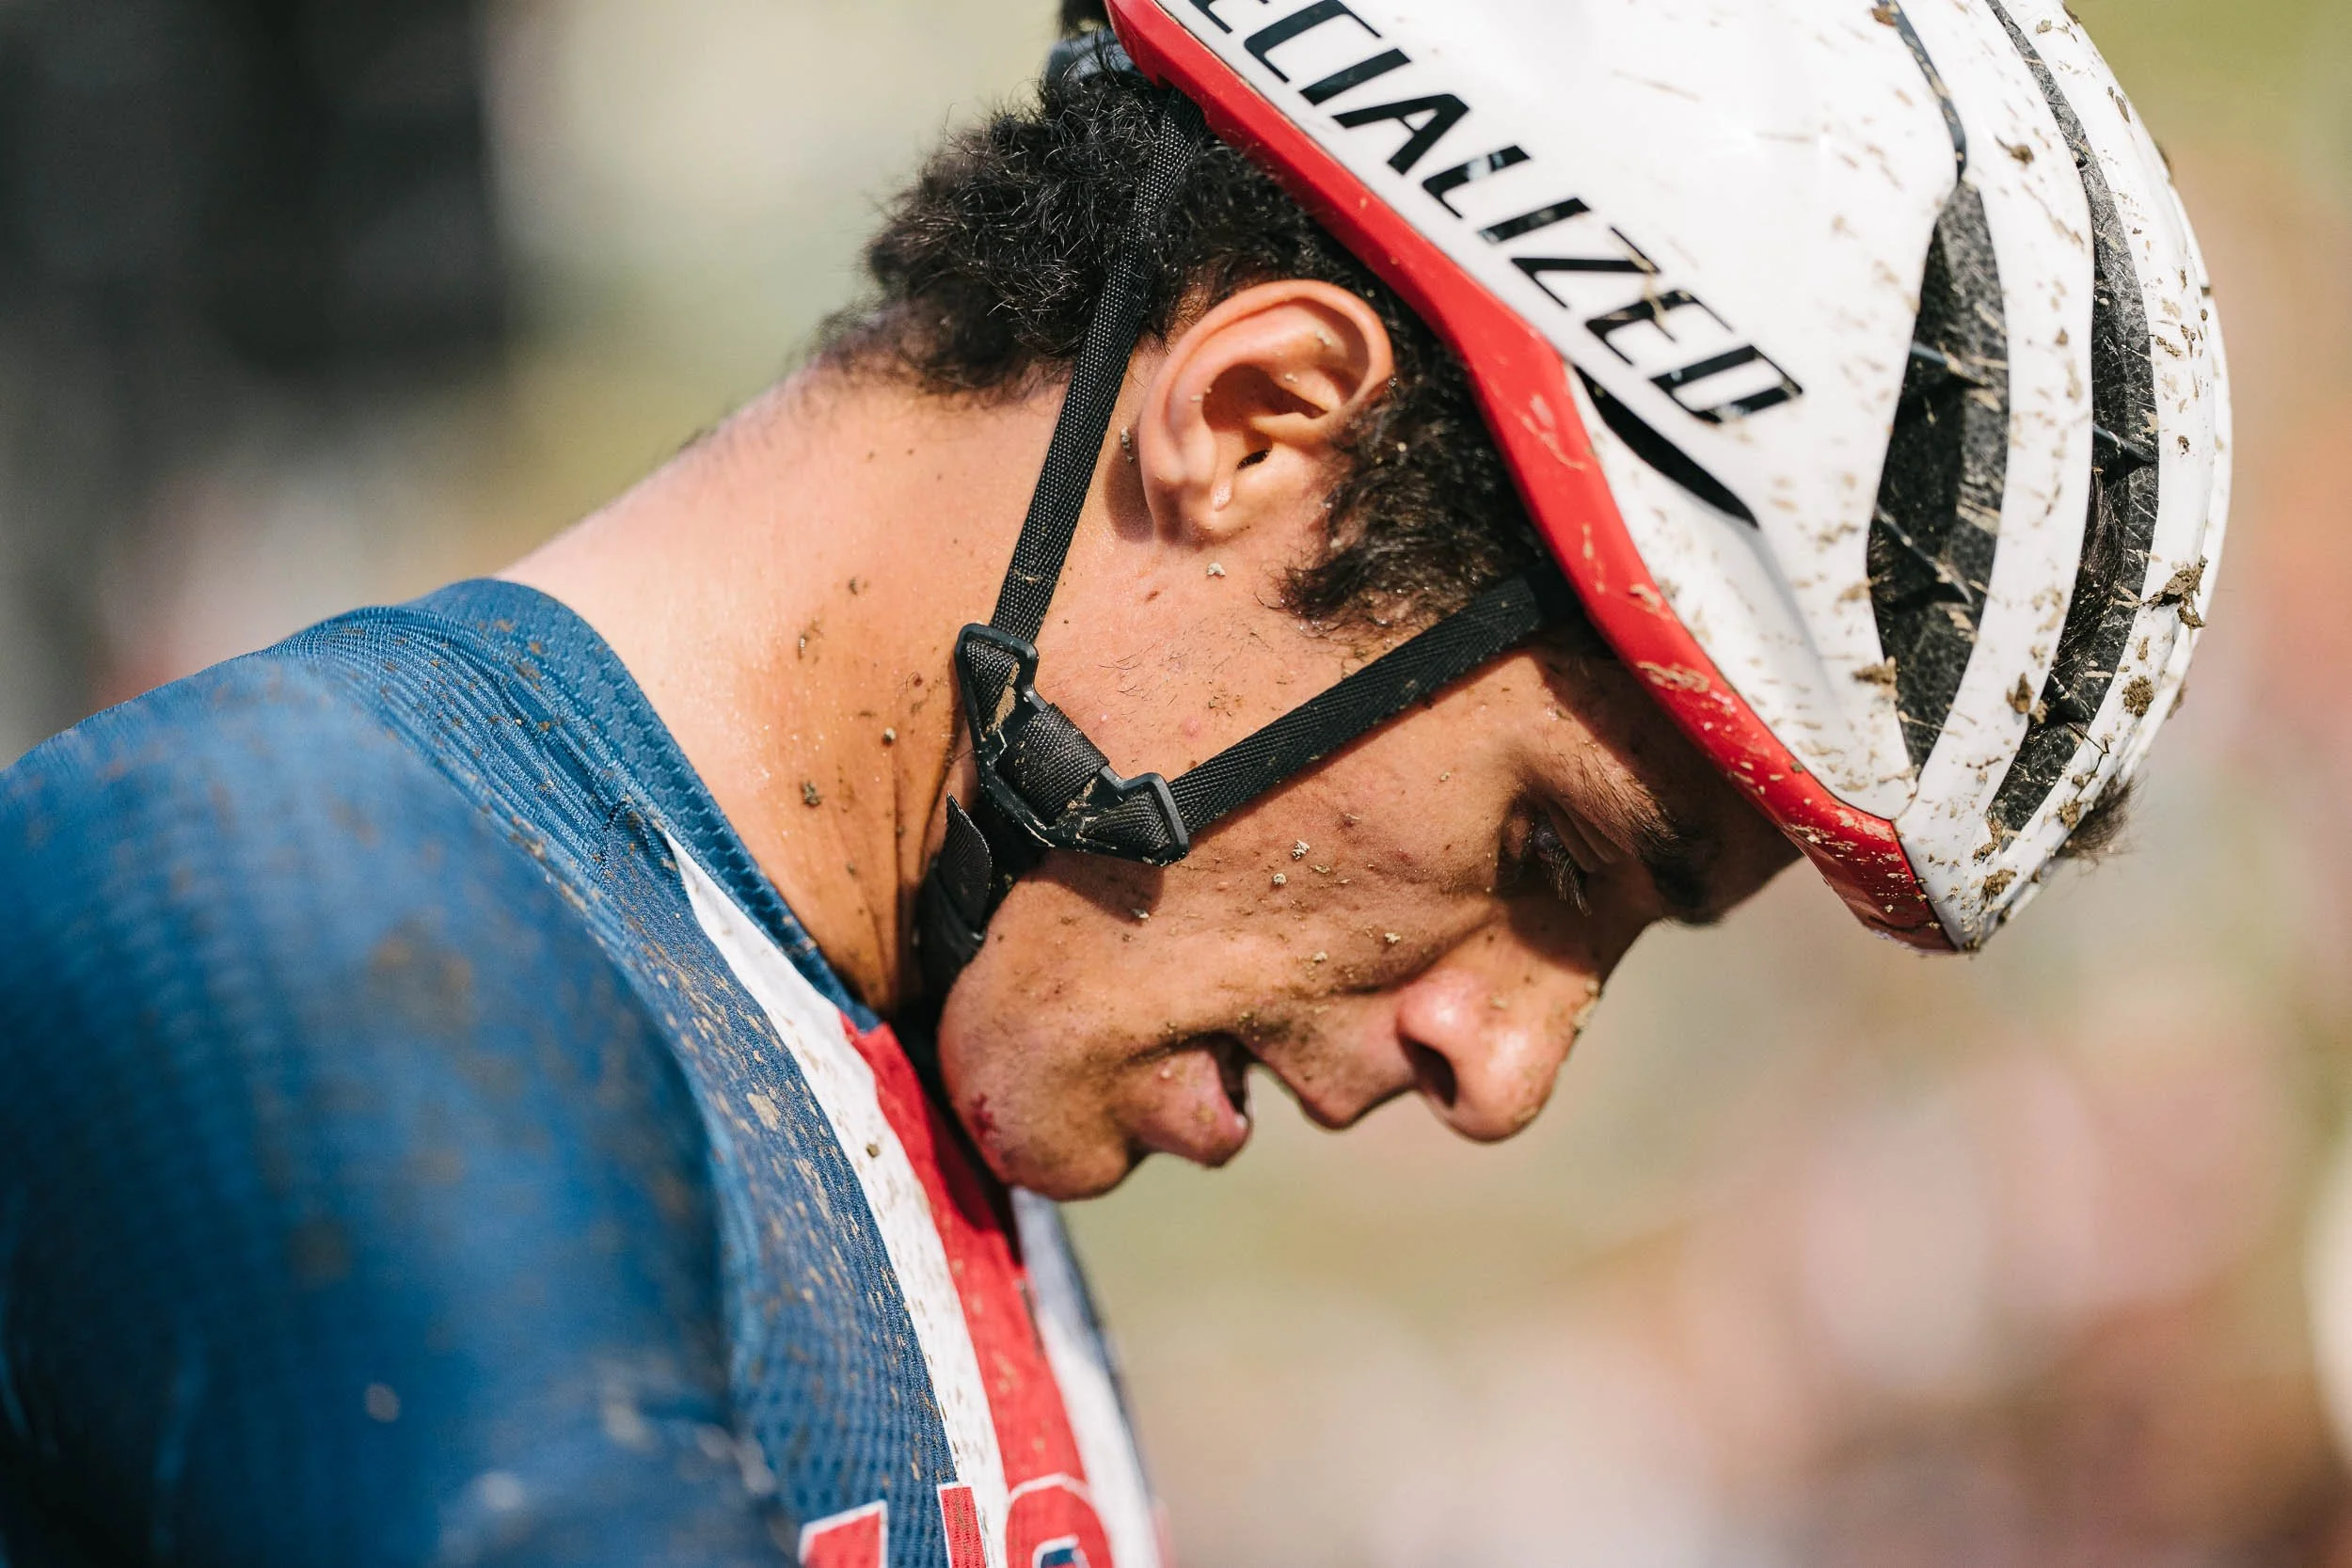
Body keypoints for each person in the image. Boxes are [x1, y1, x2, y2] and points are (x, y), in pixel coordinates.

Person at [0, 0, 2227, 1563]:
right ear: (1249, 424)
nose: (1502, 1066)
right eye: (1546, 851)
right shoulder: (284, 906)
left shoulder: (911, 1069)